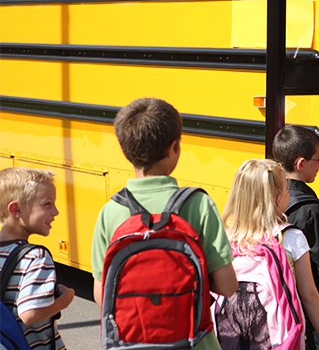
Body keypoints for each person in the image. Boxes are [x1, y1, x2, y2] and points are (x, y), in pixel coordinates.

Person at [90, 98, 238, 350]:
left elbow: (102, 294)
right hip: (195, 343)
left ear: (126, 151)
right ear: (174, 148)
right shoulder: (199, 204)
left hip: (131, 344)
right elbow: (227, 286)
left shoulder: (111, 211)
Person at [221, 159, 319, 350]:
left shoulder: (226, 236)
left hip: (230, 334)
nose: (290, 195)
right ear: (276, 199)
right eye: (287, 190)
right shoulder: (290, 238)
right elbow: (309, 295)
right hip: (277, 339)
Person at [273, 126, 319, 350]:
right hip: (311, 316)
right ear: (301, 164)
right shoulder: (311, 210)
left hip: (281, 310)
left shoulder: (269, 200)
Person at [0, 167, 75, 350]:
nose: (55, 211)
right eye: (47, 204)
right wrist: (63, 301)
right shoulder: (36, 256)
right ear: (16, 209)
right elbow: (30, 313)